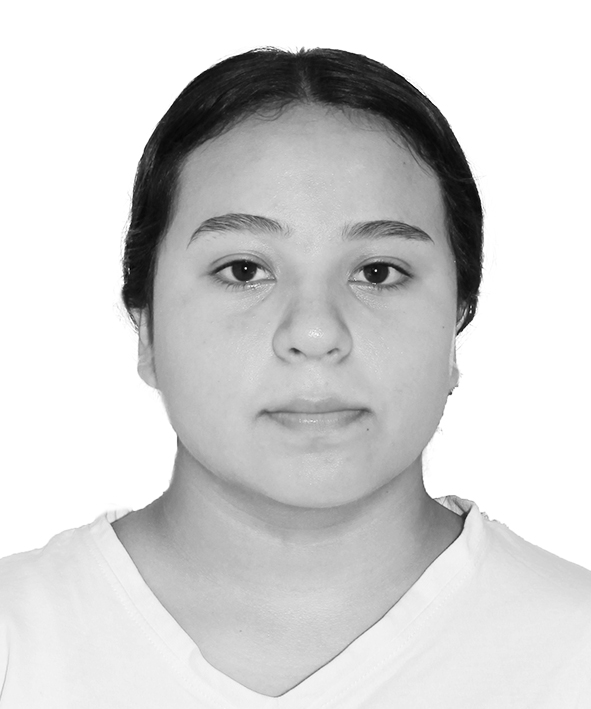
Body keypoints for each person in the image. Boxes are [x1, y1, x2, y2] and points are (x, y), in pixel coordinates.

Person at [1, 47, 590, 708]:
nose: (314, 331)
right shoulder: (17, 642)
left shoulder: (575, 651)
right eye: (244, 270)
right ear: (146, 327)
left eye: (377, 272)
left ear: (457, 320)